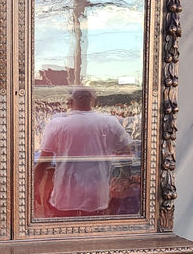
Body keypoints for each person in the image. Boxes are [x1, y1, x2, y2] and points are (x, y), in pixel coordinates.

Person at [34, 85, 133, 217]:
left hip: (64, 200)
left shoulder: (57, 125)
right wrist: (123, 177)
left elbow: (43, 162)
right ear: (94, 101)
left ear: (70, 102)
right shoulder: (110, 123)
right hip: (97, 200)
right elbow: (127, 154)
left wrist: (34, 187)